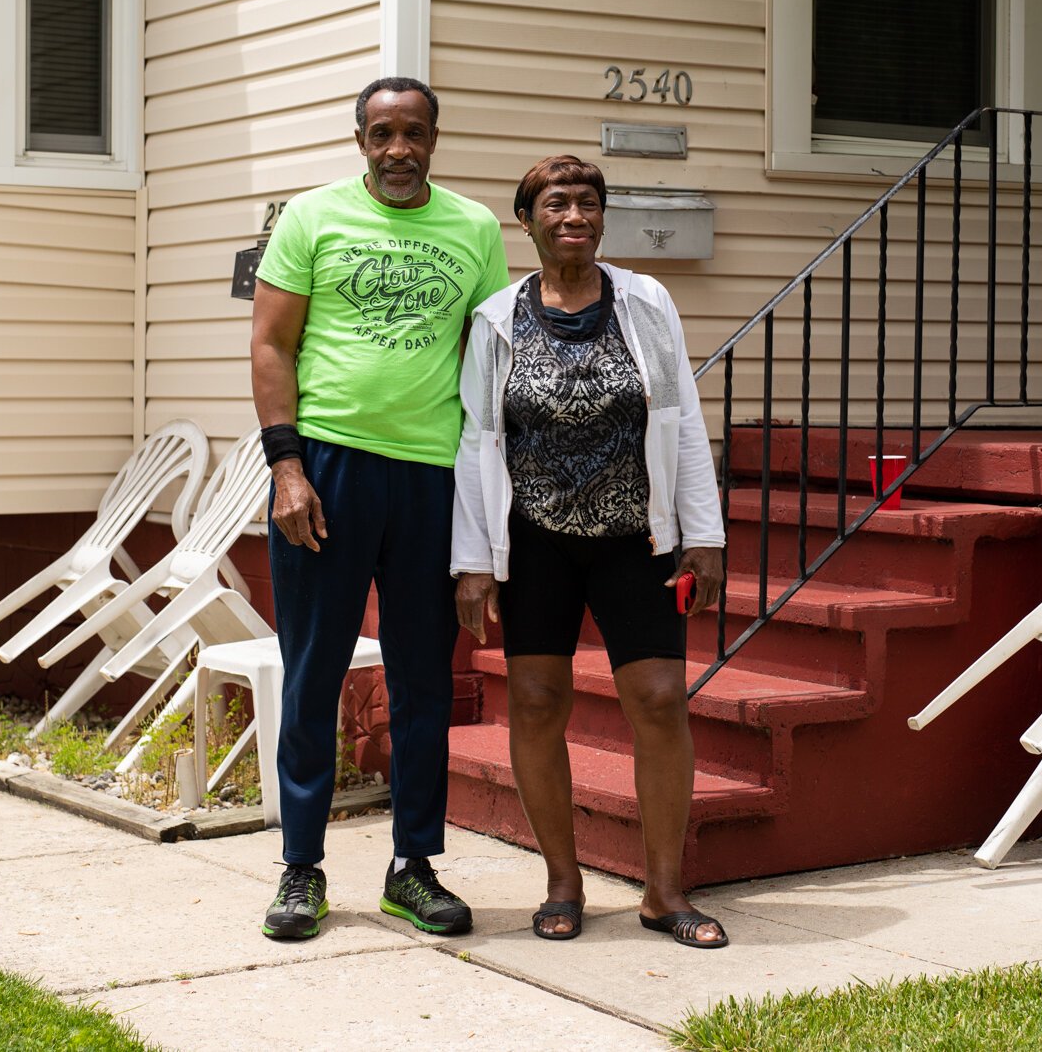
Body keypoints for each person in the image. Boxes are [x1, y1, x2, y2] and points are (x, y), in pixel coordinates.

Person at [250, 77, 508, 942]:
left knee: (424, 677)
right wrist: (286, 466)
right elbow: (271, 343)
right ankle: (300, 868)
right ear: (360, 139)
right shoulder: (311, 218)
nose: (398, 148)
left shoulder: (473, 228)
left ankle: (414, 865)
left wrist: (482, 500)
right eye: (382, 133)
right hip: (326, 469)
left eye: (414, 133)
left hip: (430, 475)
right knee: (314, 670)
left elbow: (484, 361)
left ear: (435, 138)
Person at [451, 155, 732, 949]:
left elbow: (678, 415)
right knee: (538, 704)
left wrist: (703, 535)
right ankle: (563, 882)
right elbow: (478, 440)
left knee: (659, 700)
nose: (572, 214)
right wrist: (474, 559)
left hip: (635, 539)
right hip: (535, 541)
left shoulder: (645, 302)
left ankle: (664, 890)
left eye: (587, 202)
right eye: (555, 202)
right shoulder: (497, 318)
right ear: (528, 219)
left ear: (602, 218)